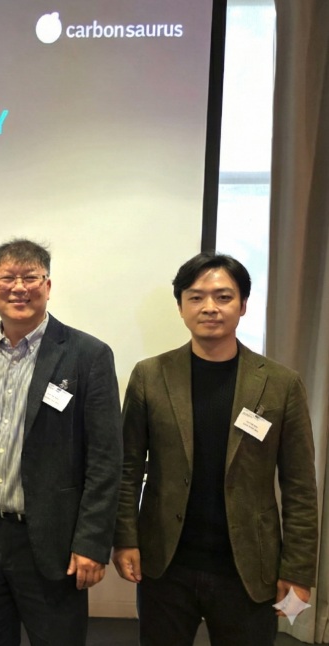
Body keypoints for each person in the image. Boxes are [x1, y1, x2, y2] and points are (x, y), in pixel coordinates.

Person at [111, 252, 318, 646]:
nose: (210, 307)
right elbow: (127, 469)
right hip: (166, 564)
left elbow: (300, 487)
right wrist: (125, 539)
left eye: (223, 297)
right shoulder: (150, 376)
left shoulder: (280, 384)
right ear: (180, 307)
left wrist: (297, 571)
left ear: (243, 305)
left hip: (248, 567)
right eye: (196, 297)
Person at [0, 239, 122, 646]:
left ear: (48, 286)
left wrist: (92, 542)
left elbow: (106, 459)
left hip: (53, 536)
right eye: (7, 278)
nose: (19, 287)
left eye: (30, 277)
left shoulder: (87, 355)